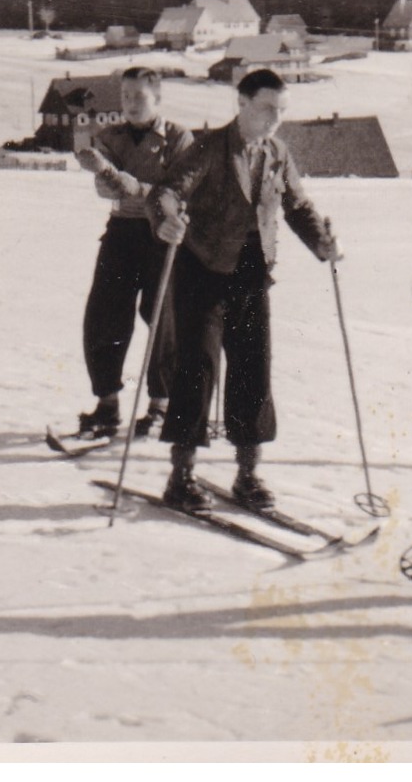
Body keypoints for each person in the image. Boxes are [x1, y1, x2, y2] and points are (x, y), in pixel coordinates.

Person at [147, 68, 341, 513]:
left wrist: (322, 243)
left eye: (282, 111)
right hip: (203, 270)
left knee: (254, 369)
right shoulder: (211, 147)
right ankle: (182, 475)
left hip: (253, 275)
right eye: (267, 108)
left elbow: (296, 204)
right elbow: (167, 191)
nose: (275, 119)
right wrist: (168, 218)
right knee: (197, 369)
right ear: (242, 103)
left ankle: (248, 473)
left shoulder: (277, 152)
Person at [73, 67, 194, 440]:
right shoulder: (111, 136)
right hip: (123, 233)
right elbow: (108, 192)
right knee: (104, 316)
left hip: (164, 233)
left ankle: (160, 405)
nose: (130, 104)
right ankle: (107, 404)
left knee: (163, 318)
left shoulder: (177, 138)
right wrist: (103, 172)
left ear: (157, 99)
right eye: (125, 96)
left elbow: (174, 190)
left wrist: (117, 176)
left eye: (139, 97)